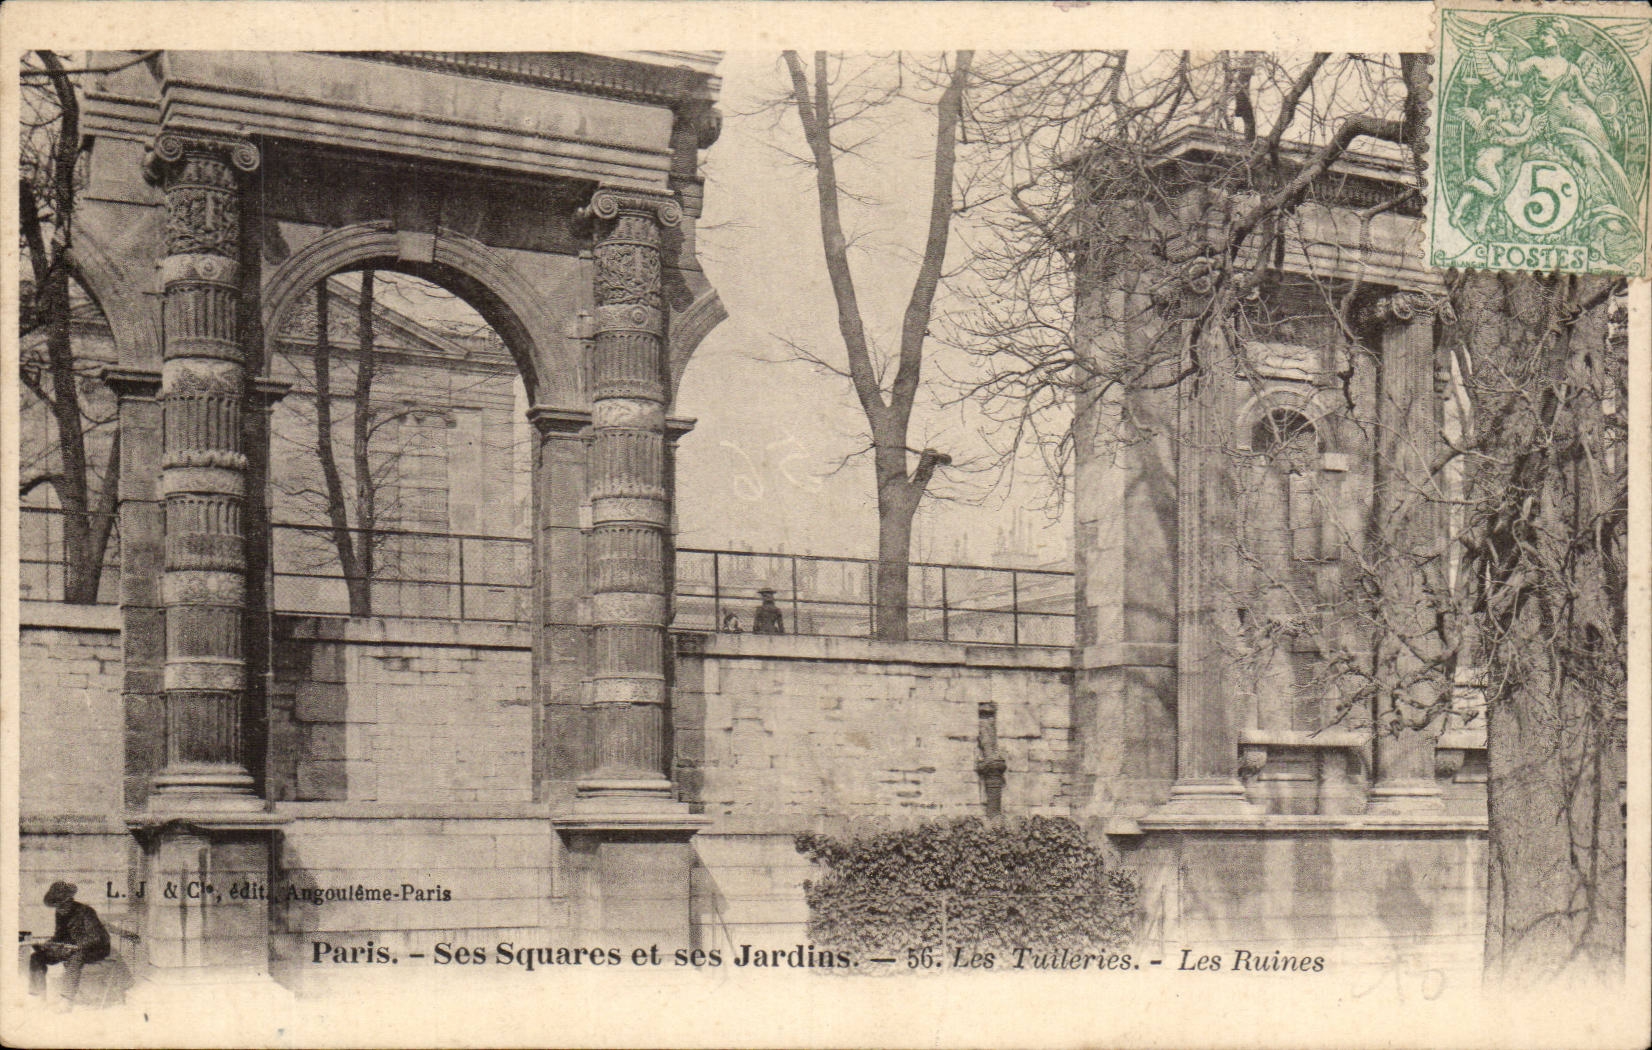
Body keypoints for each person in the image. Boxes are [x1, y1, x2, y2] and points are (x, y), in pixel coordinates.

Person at [29, 881, 109, 1005]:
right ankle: (39, 997)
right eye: (56, 906)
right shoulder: (60, 912)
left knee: (75, 956)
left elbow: (95, 937)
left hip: (95, 949)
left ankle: (66, 1000)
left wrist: (75, 946)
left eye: (61, 905)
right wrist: (49, 944)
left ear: (69, 900)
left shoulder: (85, 911)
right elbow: (59, 935)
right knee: (36, 957)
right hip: (71, 948)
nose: (59, 910)